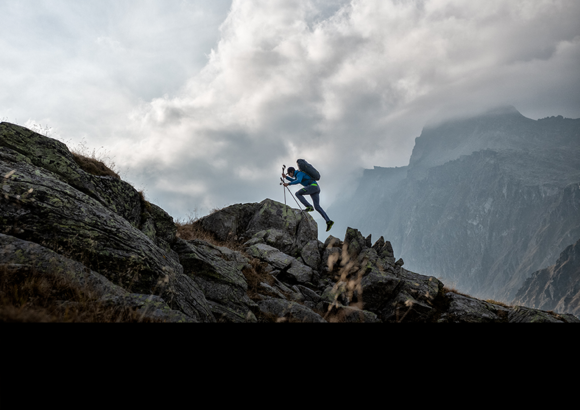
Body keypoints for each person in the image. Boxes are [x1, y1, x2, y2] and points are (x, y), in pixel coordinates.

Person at [283, 165, 334, 232]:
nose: (289, 175)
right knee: (317, 207)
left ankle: (309, 206)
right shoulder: (298, 174)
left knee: (298, 194)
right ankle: (328, 221)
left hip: (312, 187)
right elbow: (294, 180)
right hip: (316, 187)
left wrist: (288, 184)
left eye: (289, 174)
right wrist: (286, 177)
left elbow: (298, 181)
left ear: (292, 171)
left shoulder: (299, 173)